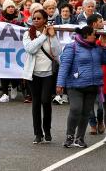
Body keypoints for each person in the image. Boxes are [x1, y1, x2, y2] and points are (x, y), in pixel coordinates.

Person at [56, 25, 106, 149]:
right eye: (94, 34)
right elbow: (64, 66)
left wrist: (105, 46)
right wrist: (60, 83)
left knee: (86, 112)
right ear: (86, 35)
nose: (96, 36)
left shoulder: (97, 48)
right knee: (76, 109)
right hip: (75, 84)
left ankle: (80, 138)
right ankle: (69, 136)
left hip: (92, 84)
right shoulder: (72, 47)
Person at [23, 9, 61, 144]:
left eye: (39, 18)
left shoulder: (50, 33)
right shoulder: (28, 33)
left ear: (45, 20)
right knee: (36, 102)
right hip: (33, 74)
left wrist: (53, 36)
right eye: (34, 18)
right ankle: (37, 133)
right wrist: (43, 36)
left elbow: (57, 52)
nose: (36, 20)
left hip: (48, 73)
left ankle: (47, 130)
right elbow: (30, 48)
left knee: (46, 101)